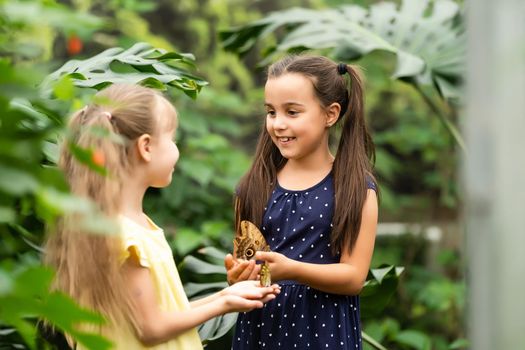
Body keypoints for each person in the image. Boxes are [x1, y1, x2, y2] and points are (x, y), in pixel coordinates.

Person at [44, 83, 280, 350]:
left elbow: (163, 313)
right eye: (172, 139)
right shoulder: (125, 237)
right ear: (146, 147)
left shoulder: (125, 225)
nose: (175, 148)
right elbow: (150, 329)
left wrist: (226, 296)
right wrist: (224, 304)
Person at [224, 55, 378, 349]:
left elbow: (353, 276)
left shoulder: (355, 189)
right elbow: (249, 267)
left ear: (330, 114)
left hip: (323, 334)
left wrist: (292, 269)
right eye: (271, 112)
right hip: (260, 333)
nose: (278, 124)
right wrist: (239, 276)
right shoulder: (253, 186)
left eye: (292, 112)